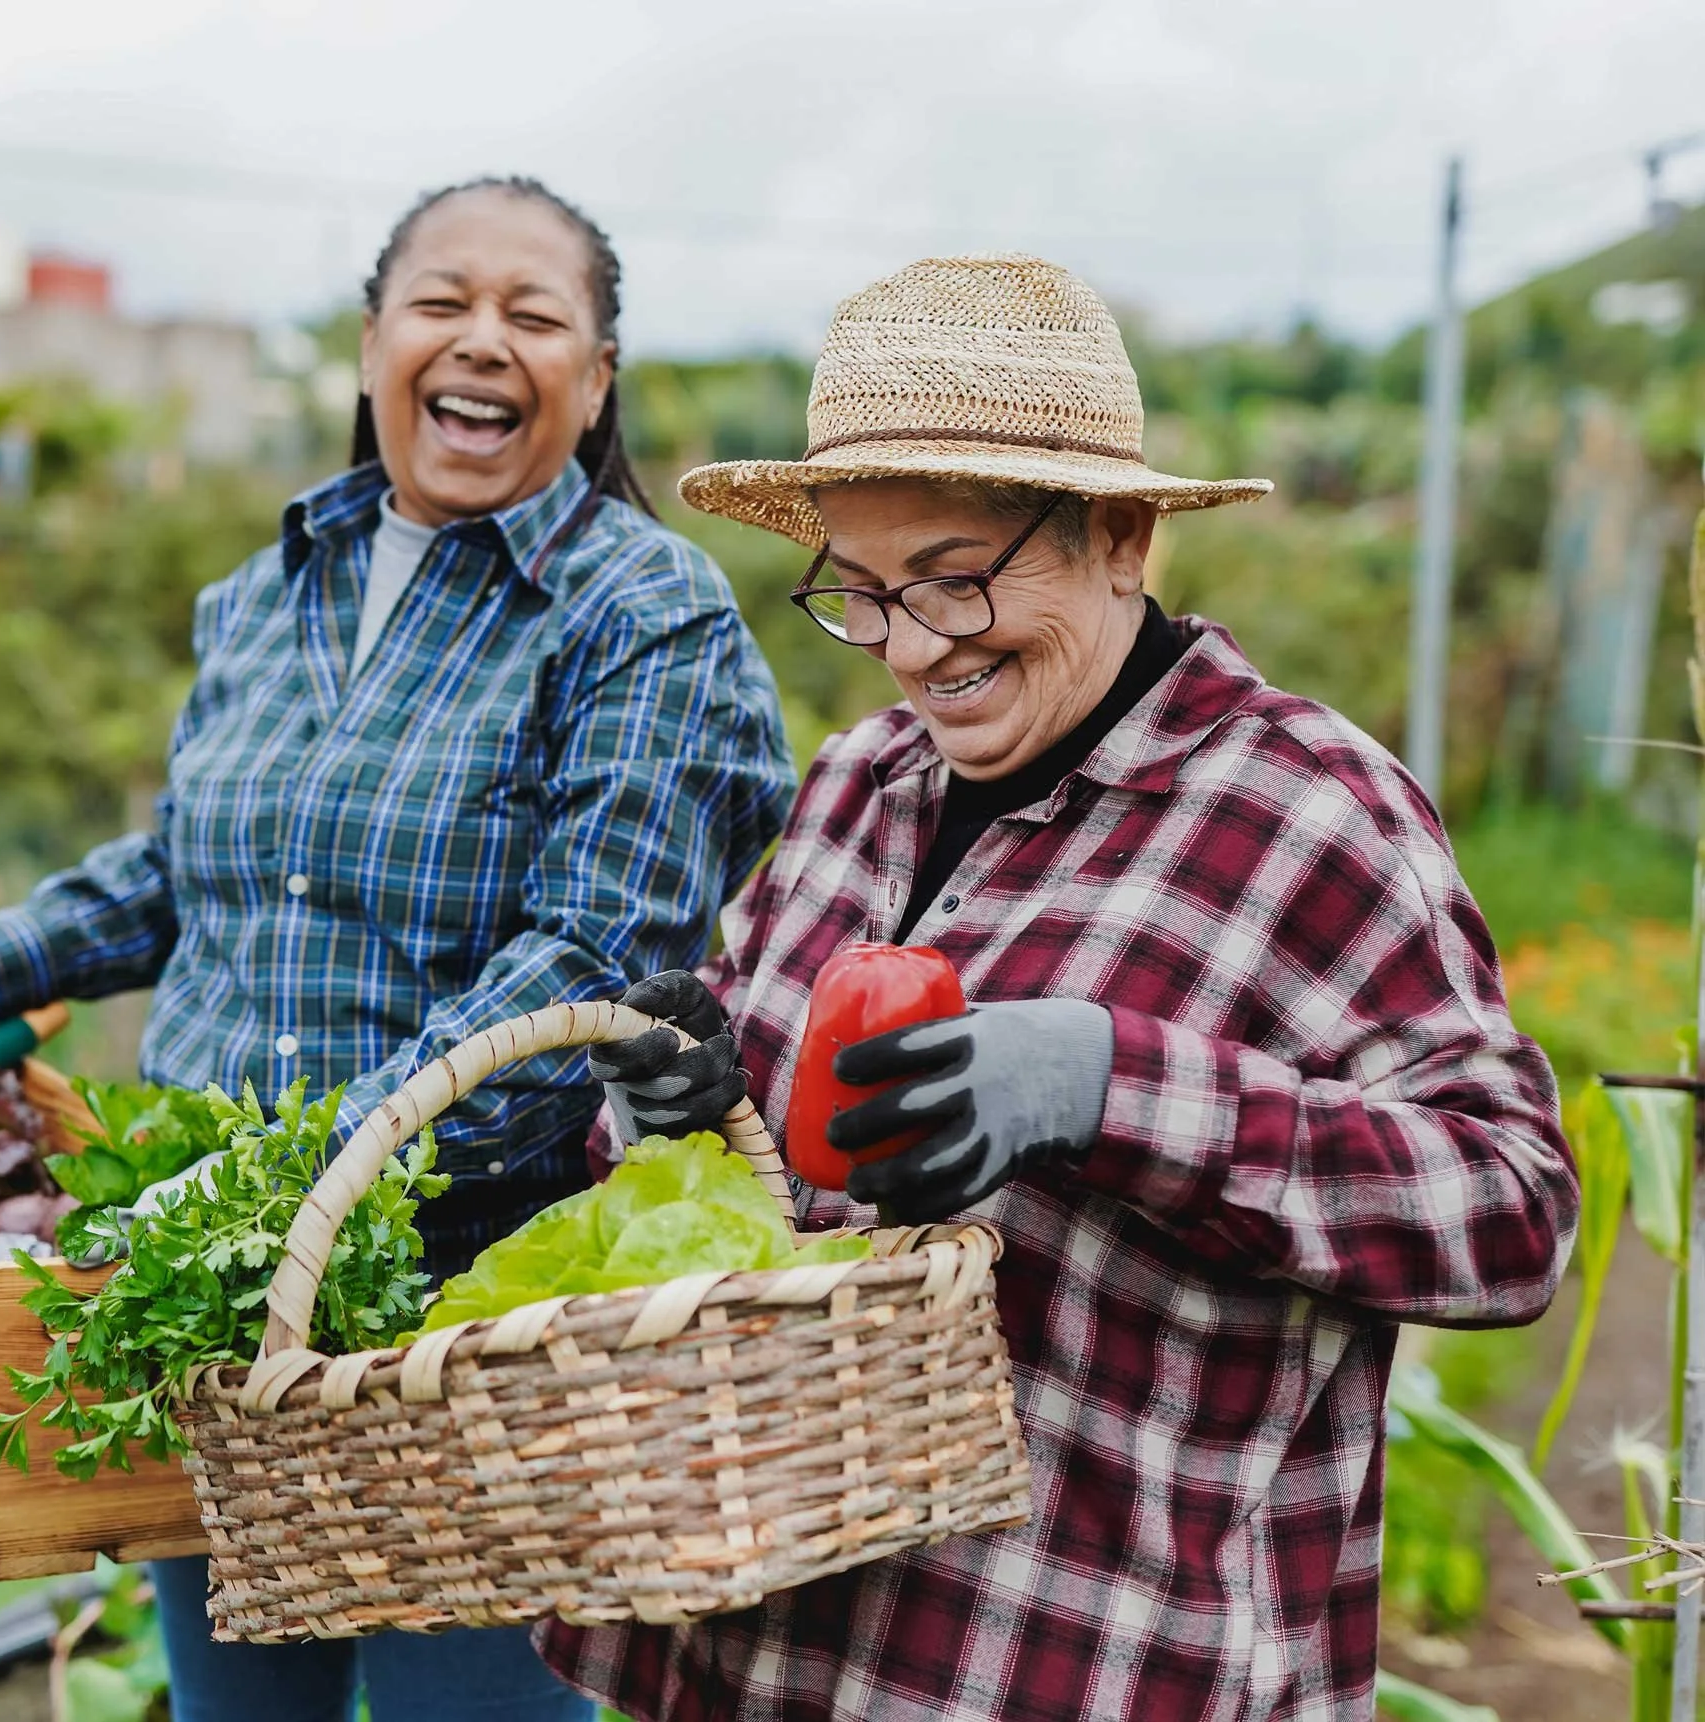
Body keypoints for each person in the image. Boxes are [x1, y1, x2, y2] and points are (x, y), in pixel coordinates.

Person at [0, 178, 793, 1722]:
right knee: (238, 1705)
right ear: (372, 339)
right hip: (206, 1288)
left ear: (596, 382)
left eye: (536, 318)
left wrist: (300, 1182)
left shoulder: (643, 610)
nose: (482, 343)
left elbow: (591, 949)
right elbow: (201, 867)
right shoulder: (268, 592)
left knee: (473, 1711)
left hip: (457, 1305)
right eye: (441, 301)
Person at [548, 254, 1578, 1722]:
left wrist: (1112, 1081)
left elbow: (1510, 1209)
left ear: (1122, 534)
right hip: (752, 1659)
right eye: (864, 588)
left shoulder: (1304, 810)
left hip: (1063, 1665)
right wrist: (677, 1115)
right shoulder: (854, 786)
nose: (911, 645)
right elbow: (775, 1208)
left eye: (960, 577)